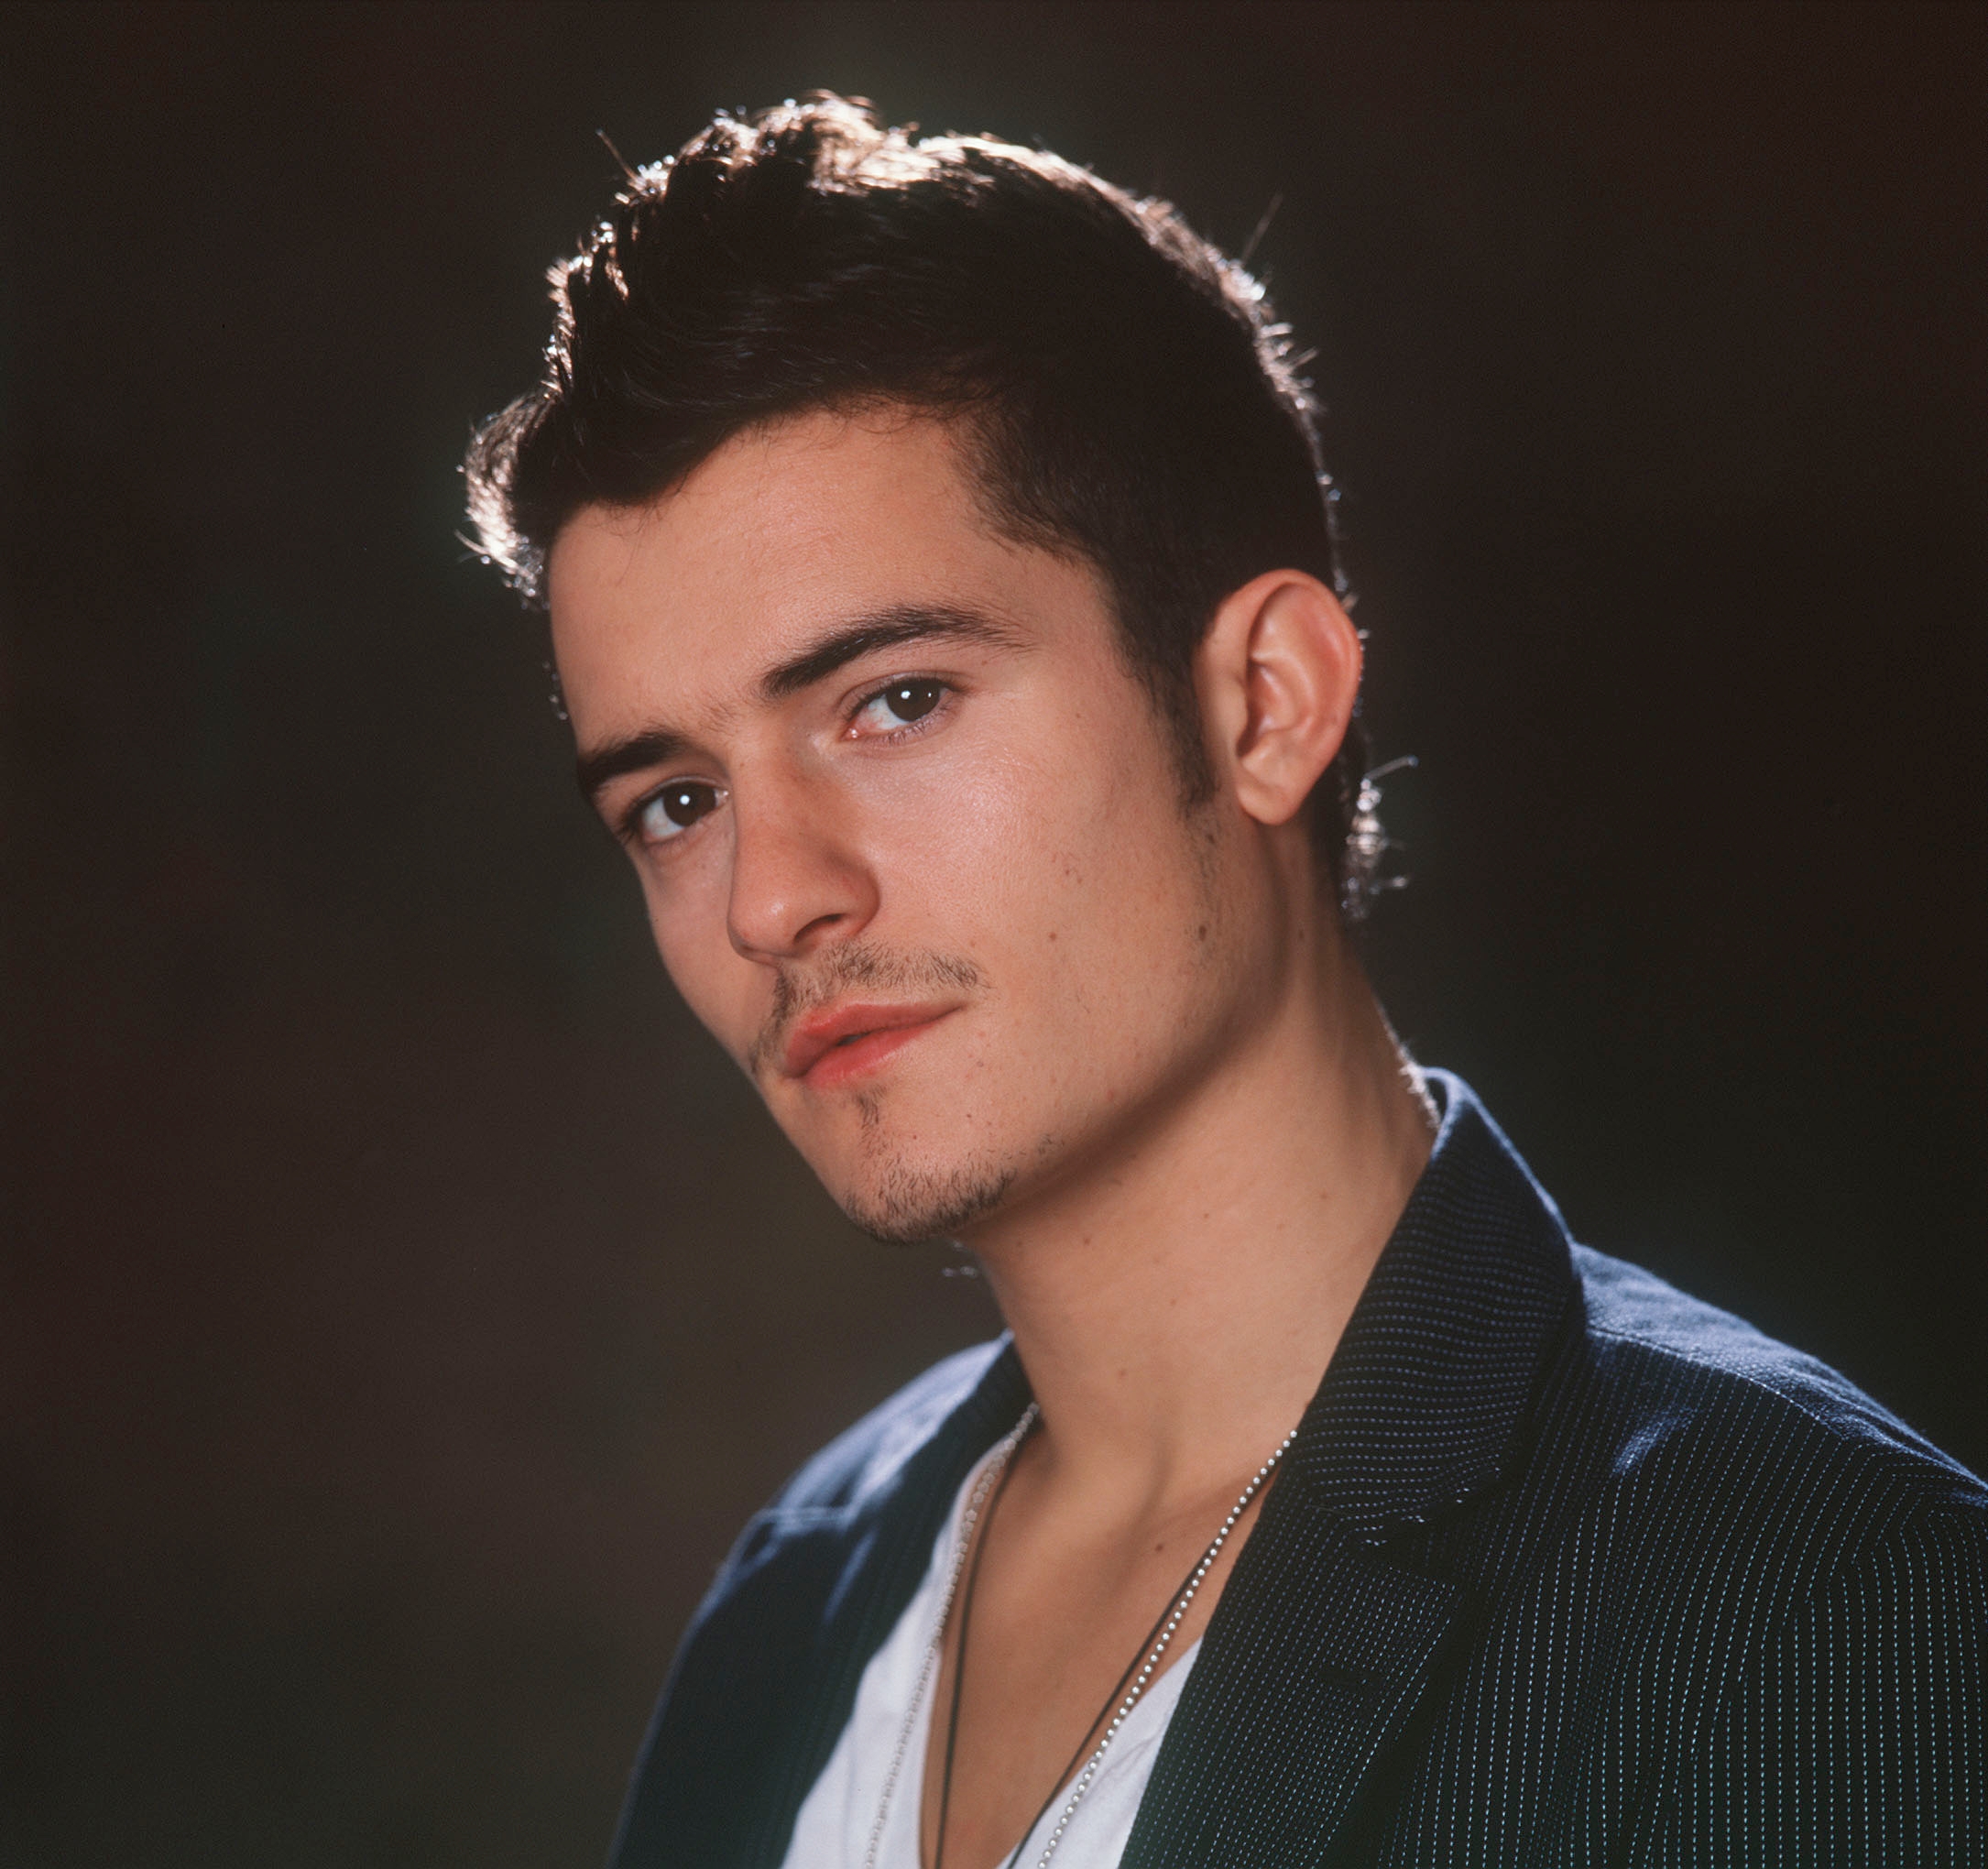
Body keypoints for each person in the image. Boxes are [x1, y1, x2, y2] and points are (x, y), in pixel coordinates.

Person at [466, 95, 1985, 1869]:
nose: (769, 899)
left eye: (896, 702)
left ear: (1264, 702)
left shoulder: (1818, 1619)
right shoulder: (790, 1606)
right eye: (675, 801)